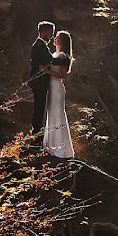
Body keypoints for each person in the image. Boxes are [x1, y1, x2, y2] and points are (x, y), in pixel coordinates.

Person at [41, 30, 75, 158]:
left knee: (57, 114)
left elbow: (63, 75)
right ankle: (51, 145)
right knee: (51, 114)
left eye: (57, 38)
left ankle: (60, 149)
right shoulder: (55, 54)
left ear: (62, 41)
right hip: (51, 87)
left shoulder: (62, 56)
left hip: (57, 88)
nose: (54, 39)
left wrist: (47, 71)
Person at [29, 21, 56, 136]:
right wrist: (65, 58)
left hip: (40, 81)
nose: (51, 36)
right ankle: (36, 133)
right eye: (50, 32)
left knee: (40, 107)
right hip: (39, 81)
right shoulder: (40, 46)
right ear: (44, 31)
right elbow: (51, 60)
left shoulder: (41, 45)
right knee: (39, 108)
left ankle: (37, 132)